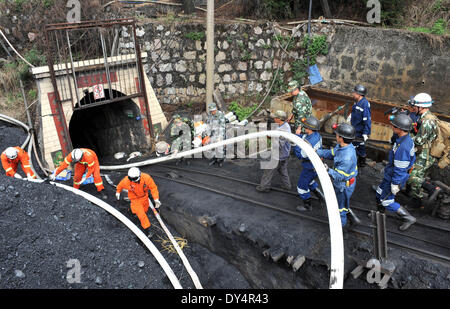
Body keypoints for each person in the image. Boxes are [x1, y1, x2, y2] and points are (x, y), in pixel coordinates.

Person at [375, 114, 417, 230]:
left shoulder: (403, 146)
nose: (392, 127)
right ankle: (380, 214)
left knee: (386, 200)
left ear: (400, 129)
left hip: (395, 176)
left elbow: (400, 169)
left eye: (394, 126)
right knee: (379, 193)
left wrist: (395, 183)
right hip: (391, 173)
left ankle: (408, 218)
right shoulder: (403, 139)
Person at [316, 123, 361, 227]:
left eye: (337, 134)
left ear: (341, 138)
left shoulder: (347, 157)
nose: (335, 135)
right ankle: (348, 216)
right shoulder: (343, 146)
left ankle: (340, 226)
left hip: (343, 186)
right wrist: (317, 152)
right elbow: (332, 153)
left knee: (339, 207)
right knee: (341, 203)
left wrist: (327, 170)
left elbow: (340, 176)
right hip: (342, 183)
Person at [406, 93, 439, 209]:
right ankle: (419, 193)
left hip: (425, 155)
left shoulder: (427, 121)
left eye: (415, 105)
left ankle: (418, 199)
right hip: (423, 152)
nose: (413, 107)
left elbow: (419, 140)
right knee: (415, 174)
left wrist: (406, 135)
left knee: (414, 177)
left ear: (421, 106)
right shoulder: (424, 117)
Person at [116, 167, 161, 238]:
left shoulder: (146, 178)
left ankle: (133, 212)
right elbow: (120, 185)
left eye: (134, 179)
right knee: (141, 214)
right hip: (135, 199)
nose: (133, 180)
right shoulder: (127, 180)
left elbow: (153, 188)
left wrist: (156, 199)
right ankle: (148, 229)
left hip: (144, 197)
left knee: (145, 210)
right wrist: (118, 192)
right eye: (131, 179)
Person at [293, 116, 325, 211]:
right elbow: (303, 138)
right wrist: (296, 135)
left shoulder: (311, 142)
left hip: (310, 167)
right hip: (316, 166)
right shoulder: (315, 135)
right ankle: (321, 198)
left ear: (310, 129)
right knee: (310, 182)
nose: (304, 128)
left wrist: (295, 144)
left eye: (305, 127)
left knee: (301, 186)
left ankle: (307, 205)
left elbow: (301, 155)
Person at [256, 110, 292, 193]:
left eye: (275, 117)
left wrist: (270, 138)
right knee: (282, 169)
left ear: (279, 119)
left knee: (268, 170)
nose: (274, 119)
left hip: (279, 154)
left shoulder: (284, 130)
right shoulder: (283, 125)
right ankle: (287, 186)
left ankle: (264, 187)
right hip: (284, 154)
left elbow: (279, 145)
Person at [349, 84, 371, 167]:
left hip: (360, 130)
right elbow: (354, 112)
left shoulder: (365, 104)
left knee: (353, 146)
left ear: (359, 94)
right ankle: (362, 161)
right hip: (355, 127)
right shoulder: (356, 102)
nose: (353, 94)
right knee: (361, 146)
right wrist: (350, 117)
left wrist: (366, 133)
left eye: (354, 93)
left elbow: (367, 119)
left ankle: (352, 163)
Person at [206, 102, 226, 167]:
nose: (213, 112)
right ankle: (214, 158)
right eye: (211, 111)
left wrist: (220, 137)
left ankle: (220, 159)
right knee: (211, 147)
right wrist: (208, 135)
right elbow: (208, 125)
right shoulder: (210, 115)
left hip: (219, 133)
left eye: (214, 111)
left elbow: (222, 127)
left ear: (216, 109)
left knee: (219, 148)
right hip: (213, 134)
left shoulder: (220, 115)